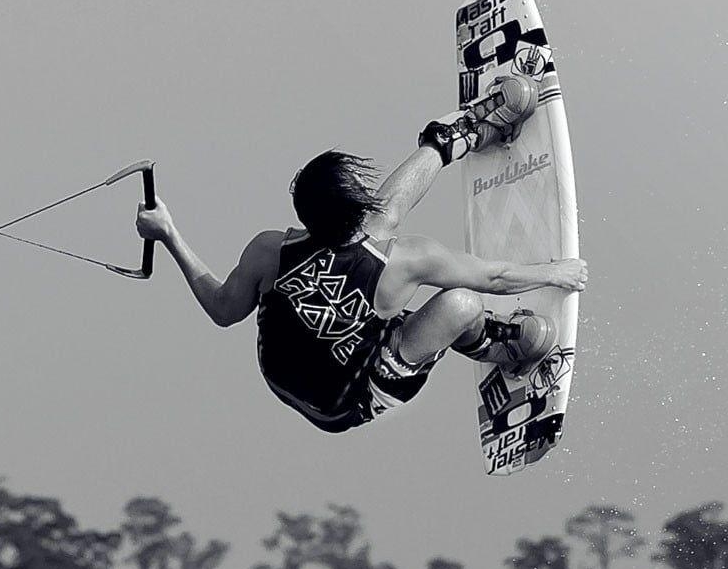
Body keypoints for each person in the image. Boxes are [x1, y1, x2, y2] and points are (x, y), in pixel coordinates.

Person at [135, 78, 588, 434]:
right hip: (346, 402)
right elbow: (493, 278)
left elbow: (222, 309)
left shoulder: (270, 248)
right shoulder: (404, 263)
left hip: (279, 371)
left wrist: (169, 231)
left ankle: (461, 134)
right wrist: (555, 273)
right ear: (350, 211)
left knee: (385, 218)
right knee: (461, 304)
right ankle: (494, 342)